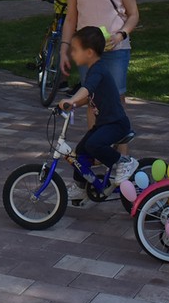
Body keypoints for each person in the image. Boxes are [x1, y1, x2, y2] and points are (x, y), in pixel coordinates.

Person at [59, 0, 140, 142]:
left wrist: (121, 35)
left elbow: (133, 15)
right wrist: (64, 50)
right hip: (88, 51)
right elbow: (70, 19)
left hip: (116, 50)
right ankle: (96, 148)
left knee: (116, 99)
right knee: (92, 99)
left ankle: (120, 151)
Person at [57, 26, 139, 190]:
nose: (72, 54)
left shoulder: (98, 71)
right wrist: (71, 104)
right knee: (80, 152)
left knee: (93, 145)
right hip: (104, 124)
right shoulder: (93, 70)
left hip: (116, 124)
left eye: (75, 50)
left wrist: (72, 99)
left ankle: (125, 161)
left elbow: (86, 90)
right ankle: (82, 187)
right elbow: (89, 97)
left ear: (89, 53)